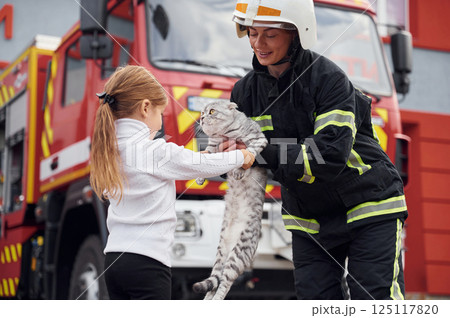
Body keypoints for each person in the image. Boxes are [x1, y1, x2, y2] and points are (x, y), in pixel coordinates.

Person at [225, 0, 408, 300]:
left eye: (270, 34)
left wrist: (260, 150)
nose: (259, 43)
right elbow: (239, 158)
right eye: (252, 33)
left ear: (297, 34)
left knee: (374, 301)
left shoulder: (328, 80)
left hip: (369, 207)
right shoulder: (244, 92)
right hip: (308, 219)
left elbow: (327, 155)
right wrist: (223, 154)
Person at [90, 65, 255, 300]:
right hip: (147, 263)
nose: (160, 125)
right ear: (145, 108)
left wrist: (206, 158)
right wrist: (242, 156)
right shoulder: (153, 151)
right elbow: (198, 165)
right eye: (160, 114)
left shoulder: (111, 151)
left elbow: (191, 164)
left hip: (114, 261)